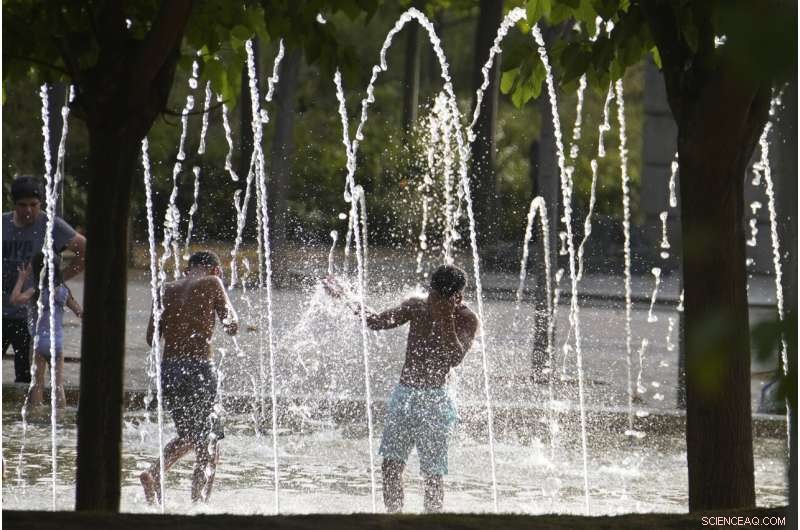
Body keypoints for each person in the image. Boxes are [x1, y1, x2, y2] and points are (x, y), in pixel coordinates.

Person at [324, 265, 478, 513]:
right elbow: (375, 322)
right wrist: (346, 296)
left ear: (456, 298)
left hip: (436, 402)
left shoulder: (467, 318)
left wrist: (446, 319)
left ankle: (432, 520)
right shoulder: (417, 307)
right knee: (391, 466)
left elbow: (454, 358)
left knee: (433, 473)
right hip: (404, 396)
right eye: (431, 294)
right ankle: (394, 518)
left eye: (438, 298)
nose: (432, 301)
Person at [140, 250, 238, 505]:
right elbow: (232, 325)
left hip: (170, 369)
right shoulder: (213, 282)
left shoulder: (165, 289)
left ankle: (155, 473)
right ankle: (199, 507)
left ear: (188, 270)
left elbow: (151, 337)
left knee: (190, 437)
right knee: (210, 443)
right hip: (199, 369)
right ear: (216, 270)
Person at [3, 175, 86, 383]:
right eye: (23, 205)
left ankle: (27, 414)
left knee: (27, 377)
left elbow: (84, 249)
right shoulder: (3, 224)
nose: (29, 210)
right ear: (14, 205)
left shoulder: (51, 225)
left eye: (34, 204)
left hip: (30, 317)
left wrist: (58, 278)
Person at [9, 252, 82, 411]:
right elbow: (80, 312)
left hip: (38, 345)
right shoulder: (63, 291)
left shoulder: (35, 291)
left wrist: (21, 278)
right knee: (58, 384)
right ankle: (60, 417)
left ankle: (36, 419)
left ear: (36, 269)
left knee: (37, 383)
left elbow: (14, 300)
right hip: (57, 344)